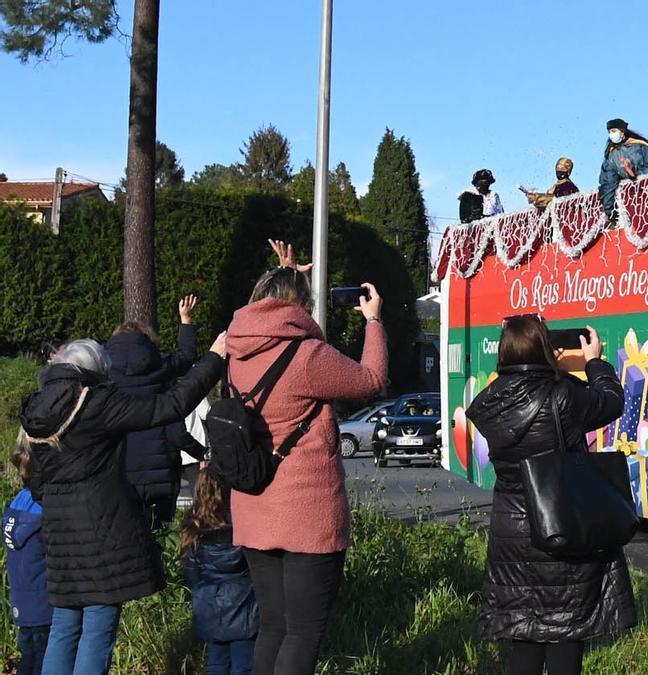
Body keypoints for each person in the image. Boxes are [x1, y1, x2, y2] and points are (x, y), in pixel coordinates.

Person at [18, 335, 226, 674]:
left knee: (64, 624)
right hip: (102, 527)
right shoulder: (95, 403)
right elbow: (169, 406)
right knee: (98, 624)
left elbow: (37, 481)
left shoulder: (37, 409)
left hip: (58, 533)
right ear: (93, 372)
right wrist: (214, 359)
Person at [226, 239, 387, 674]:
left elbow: (265, 313)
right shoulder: (307, 355)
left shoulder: (237, 349)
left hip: (254, 506)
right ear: (302, 306)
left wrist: (287, 273)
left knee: (273, 627)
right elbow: (370, 380)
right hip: (306, 515)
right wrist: (373, 322)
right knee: (302, 633)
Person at [466, 316, 636, 675]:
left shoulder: (490, 402)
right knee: (565, 630)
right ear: (545, 348)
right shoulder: (562, 395)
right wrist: (594, 361)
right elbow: (611, 401)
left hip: (511, 533)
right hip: (560, 522)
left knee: (524, 634)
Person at [106, 294, 208, 529]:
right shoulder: (158, 370)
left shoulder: (107, 376)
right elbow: (185, 357)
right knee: (162, 533)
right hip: (162, 474)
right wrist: (186, 320)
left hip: (122, 473)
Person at [182, 468, 258, 675]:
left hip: (210, 605)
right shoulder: (243, 527)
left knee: (216, 663)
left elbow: (190, 575)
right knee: (244, 665)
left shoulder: (194, 532)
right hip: (244, 605)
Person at [4, 446, 52, 675]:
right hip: (43, 601)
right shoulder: (43, 507)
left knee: (28, 657)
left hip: (21, 602)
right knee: (43, 660)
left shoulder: (14, 507)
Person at [599, 118, 648, 219]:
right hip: (630, 199)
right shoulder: (611, 155)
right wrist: (610, 210)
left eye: (614, 131)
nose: (611, 134)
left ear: (622, 131)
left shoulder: (640, 146)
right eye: (609, 132)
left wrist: (634, 173)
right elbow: (608, 183)